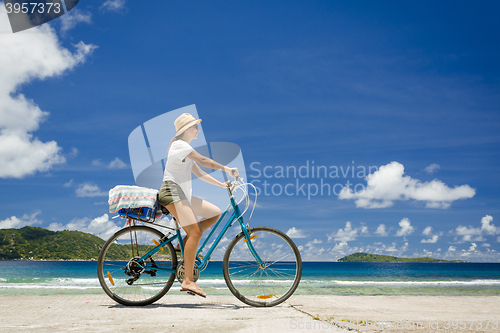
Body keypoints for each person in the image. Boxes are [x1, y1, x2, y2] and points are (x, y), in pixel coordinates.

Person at [158, 113, 238, 298]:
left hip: (182, 194)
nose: (198, 130)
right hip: (171, 192)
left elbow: (200, 172)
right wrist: (227, 169)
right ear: (187, 129)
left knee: (215, 213)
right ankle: (188, 281)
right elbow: (203, 160)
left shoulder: (184, 149)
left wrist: (222, 184)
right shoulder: (180, 146)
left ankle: (183, 245)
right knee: (196, 231)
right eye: (195, 127)